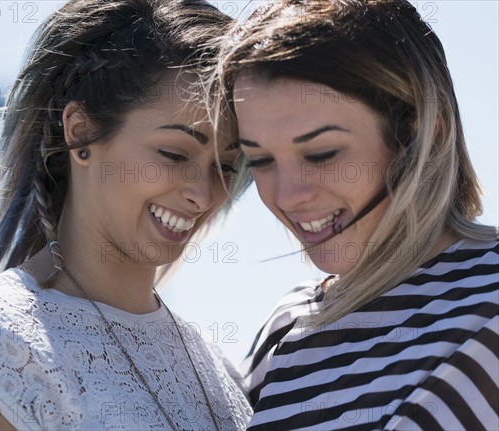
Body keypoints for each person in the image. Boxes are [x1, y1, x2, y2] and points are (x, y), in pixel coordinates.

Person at [0, 1, 252, 430]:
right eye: (175, 154)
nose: (203, 194)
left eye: (226, 167)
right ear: (81, 131)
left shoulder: (217, 367)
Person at [210, 0, 499, 429]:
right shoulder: (288, 326)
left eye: (322, 153)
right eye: (261, 161)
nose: (289, 196)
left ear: (421, 136)